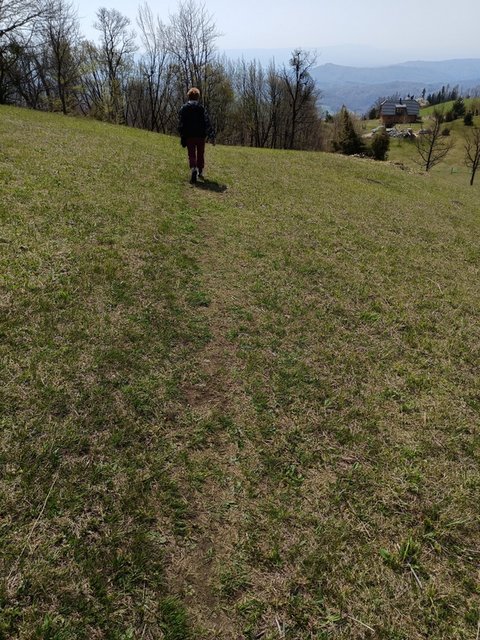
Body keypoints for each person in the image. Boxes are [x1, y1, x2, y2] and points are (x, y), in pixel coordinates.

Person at [178, 87, 215, 184]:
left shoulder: (184, 108)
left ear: (189, 96)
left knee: (191, 153)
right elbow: (207, 122)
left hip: (189, 135)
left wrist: (182, 134)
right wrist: (211, 135)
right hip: (201, 135)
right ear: (198, 97)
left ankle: (193, 168)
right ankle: (200, 170)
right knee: (200, 153)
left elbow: (181, 122)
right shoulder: (201, 108)